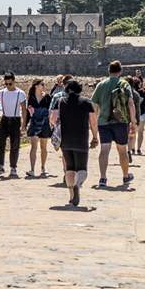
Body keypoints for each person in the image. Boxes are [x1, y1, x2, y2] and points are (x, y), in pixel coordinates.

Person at [50, 79, 97, 207]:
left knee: (69, 169)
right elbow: (93, 121)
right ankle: (78, 185)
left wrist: (59, 125)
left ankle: (71, 197)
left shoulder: (60, 102)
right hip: (81, 139)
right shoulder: (86, 102)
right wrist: (95, 136)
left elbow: (53, 119)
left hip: (66, 140)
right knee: (82, 169)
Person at [91, 60, 137, 188]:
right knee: (122, 150)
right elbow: (131, 104)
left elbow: (94, 106)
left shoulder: (101, 85)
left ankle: (103, 178)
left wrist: (94, 124)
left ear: (108, 71)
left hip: (103, 122)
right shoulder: (124, 84)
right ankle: (125, 176)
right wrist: (133, 122)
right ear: (120, 71)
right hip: (120, 122)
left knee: (104, 150)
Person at [0, 71, 28, 178]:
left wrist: (24, 124)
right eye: (6, 84)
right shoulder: (1, 92)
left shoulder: (20, 93)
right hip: (4, 119)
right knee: (0, 143)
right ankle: (0, 166)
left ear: (14, 82)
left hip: (16, 120)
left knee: (14, 145)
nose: (8, 86)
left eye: (10, 84)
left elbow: (24, 110)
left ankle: (13, 168)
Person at [24, 80, 53, 177]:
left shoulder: (47, 97)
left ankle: (43, 167)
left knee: (43, 147)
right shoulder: (31, 98)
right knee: (34, 146)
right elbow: (28, 112)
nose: (44, 86)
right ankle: (32, 169)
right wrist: (24, 124)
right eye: (42, 84)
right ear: (36, 86)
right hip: (34, 123)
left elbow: (51, 111)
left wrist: (52, 123)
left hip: (44, 124)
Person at [131, 76, 145, 157]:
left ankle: (132, 148)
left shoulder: (131, 93)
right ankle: (139, 149)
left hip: (133, 114)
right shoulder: (144, 92)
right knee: (141, 132)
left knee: (133, 132)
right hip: (142, 114)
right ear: (140, 83)